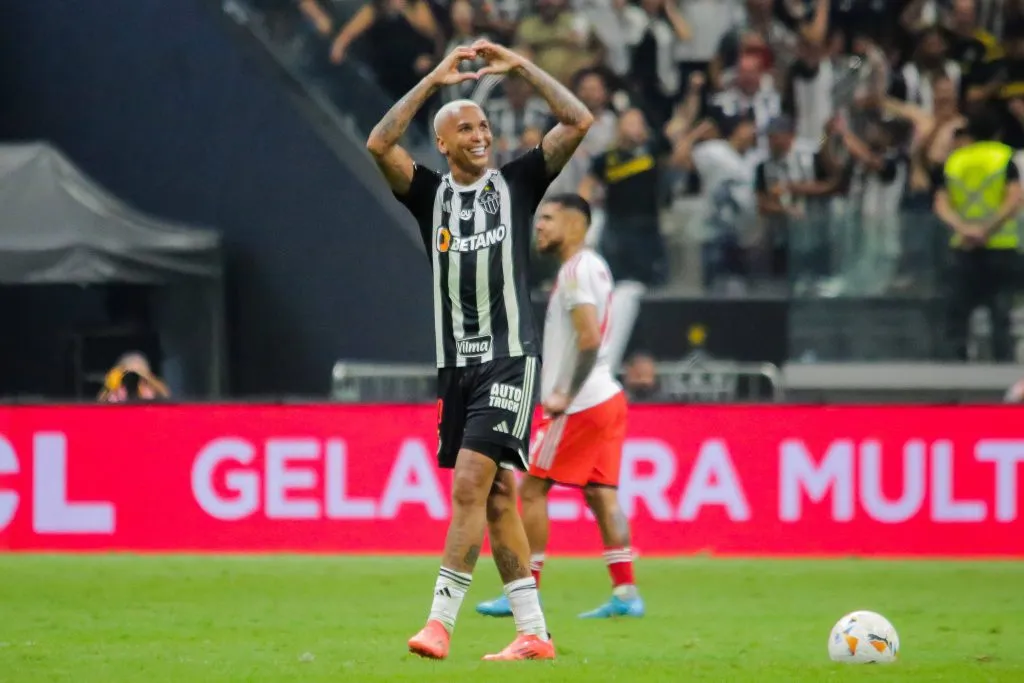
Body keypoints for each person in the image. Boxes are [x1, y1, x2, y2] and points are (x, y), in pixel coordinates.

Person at [365, 41, 594, 661]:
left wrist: (522, 67)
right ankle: (534, 633)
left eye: (484, 126)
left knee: (471, 483)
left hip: (509, 359)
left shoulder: (517, 183)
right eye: (465, 128)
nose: (480, 135)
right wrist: (432, 80)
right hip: (456, 367)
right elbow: (379, 144)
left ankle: (439, 623)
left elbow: (578, 120)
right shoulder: (428, 195)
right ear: (442, 142)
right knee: (495, 498)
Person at [475, 193, 644, 620]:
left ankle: (525, 592)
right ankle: (626, 593)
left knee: (531, 489)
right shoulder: (596, 266)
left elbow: (589, 339)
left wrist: (566, 393)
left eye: (548, 218)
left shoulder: (574, 273)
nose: (540, 226)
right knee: (601, 494)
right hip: (607, 395)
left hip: (579, 403)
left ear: (575, 224)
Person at [933, 112, 1024, 361]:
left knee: (957, 316)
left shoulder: (954, 161)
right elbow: (1014, 198)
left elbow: (940, 203)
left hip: (963, 248)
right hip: (1001, 246)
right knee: (1001, 314)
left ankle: (955, 369)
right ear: (998, 133)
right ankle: (1002, 369)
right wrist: (986, 229)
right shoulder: (1004, 157)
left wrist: (964, 228)